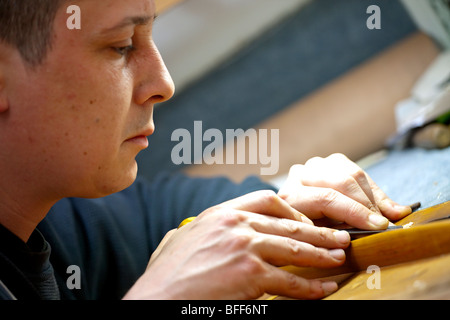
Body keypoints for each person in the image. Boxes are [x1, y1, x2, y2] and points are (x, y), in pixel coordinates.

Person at [0, 0, 412, 300]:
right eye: (122, 45)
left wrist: (284, 206)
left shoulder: (62, 213)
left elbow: (160, 208)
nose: (164, 83)